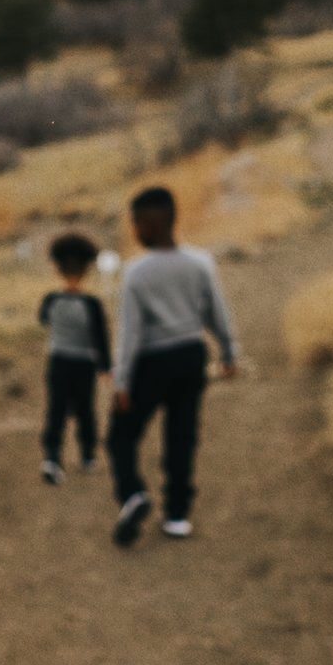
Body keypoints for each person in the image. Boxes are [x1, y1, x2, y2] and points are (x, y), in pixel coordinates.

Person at [107, 185, 239, 547]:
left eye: (136, 224)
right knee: (181, 436)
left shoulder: (137, 272)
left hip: (152, 362)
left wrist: (122, 382)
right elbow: (217, 312)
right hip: (190, 356)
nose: (134, 231)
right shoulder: (200, 263)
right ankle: (177, 515)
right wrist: (228, 352)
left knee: (121, 435)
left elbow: (129, 334)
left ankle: (133, 494)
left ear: (152, 224)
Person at [37, 230, 111, 484]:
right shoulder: (92, 304)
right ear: (87, 269)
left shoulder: (50, 300)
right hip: (85, 364)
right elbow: (101, 338)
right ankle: (88, 454)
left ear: (57, 268)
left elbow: (43, 320)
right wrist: (106, 368)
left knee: (56, 408)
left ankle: (52, 456)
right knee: (85, 410)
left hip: (58, 361)